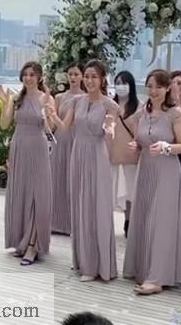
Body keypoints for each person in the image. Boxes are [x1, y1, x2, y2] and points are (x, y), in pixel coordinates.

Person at [47, 60, 118, 282]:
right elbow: (64, 126)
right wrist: (52, 115)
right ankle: (82, 260)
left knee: (95, 207)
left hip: (96, 156)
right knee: (79, 206)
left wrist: (110, 128)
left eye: (94, 76)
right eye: (86, 76)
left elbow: (110, 126)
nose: (89, 80)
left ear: (102, 79)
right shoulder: (77, 101)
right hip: (77, 154)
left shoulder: (110, 105)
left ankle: (97, 265)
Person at [123, 69, 181, 295]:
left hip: (167, 171)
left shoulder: (175, 114)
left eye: (158, 87)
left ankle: (157, 277)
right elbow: (139, 140)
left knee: (161, 222)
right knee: (143, 217)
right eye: (150, 86)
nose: (153, 91)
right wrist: (136, 145)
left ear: (167, 88)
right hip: (145, 170)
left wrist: (166, 147)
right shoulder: (143, 112)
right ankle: (142, 269)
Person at [0, 61, 54, 266]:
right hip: (18, 147)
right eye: (25, 74)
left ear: (39, 77)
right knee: (20, 193)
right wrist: (5, 102)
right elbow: (4, 124)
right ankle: (21, 242)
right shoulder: (17, 98)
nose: (28, 78)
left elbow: (51, 128)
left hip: (38, 149)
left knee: (37, 196)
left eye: (32, 74)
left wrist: (47, 112)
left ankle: (33, 245)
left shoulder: (46, 98)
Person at [50, 63, 85, 235]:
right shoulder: (59, 97)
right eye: (70, 74)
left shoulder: (86, 98)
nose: (73, 77)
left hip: (78, 140)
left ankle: (74, 224)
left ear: (82, 76)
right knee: (57, 178)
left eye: (76, 74)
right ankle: (55, 222)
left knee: (75, 180)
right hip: (61, 140)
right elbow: (53, 123)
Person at [109, 70, 140, 237]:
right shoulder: (110, 105)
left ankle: (129, 222)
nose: (121, 86)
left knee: (130, 193)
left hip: (130, 157)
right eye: (118, 83)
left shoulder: (139, 107)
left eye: (124, 83)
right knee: (111, 190)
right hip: (112, 155)